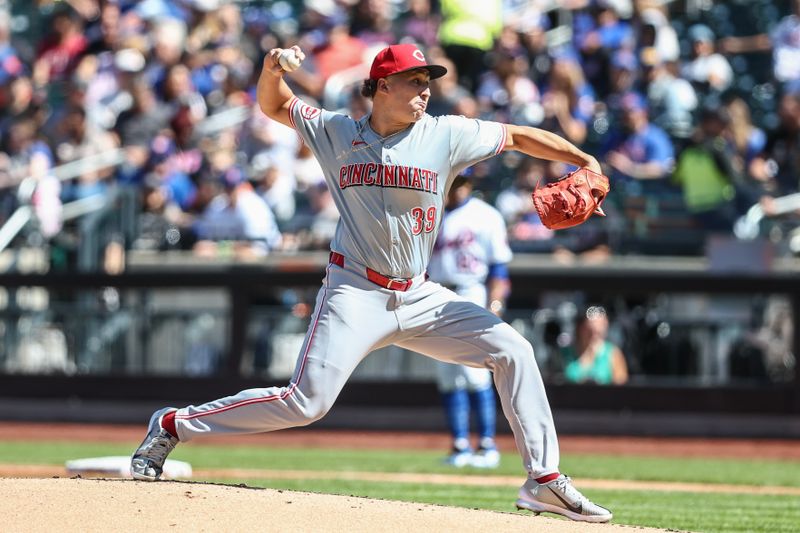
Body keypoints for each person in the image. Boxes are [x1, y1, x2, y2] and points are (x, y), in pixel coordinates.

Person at [131, 42, 613, 523]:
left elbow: (516, 136)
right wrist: (271, 67)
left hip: (420, 294)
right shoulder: (336, 131)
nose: (425, 93)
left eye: (428, 83)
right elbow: (275, 103)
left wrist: (583, 159)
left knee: (514, 350)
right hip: (355, 290)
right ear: (383, 86)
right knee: (306, 403)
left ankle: (543, 479)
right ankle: (175, 423)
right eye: (415, 82)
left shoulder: (447, 134)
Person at [426, 172, 511, 469]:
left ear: (470, 185)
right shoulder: (429, 209)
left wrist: (494, 306)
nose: (457, 189)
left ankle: (487, 445)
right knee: (448, 374)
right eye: (453, 181)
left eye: (462, 183)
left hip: (471, 291)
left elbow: (500, 268)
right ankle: (460, 445)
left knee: (476, 373)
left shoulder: (486, 216)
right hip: (435, 293)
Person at [558, 305, 628, 386]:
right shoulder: (564, 354)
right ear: (580, 328)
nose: (593, 336)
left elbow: (621, 388)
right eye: (589, 331)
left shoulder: (613, 354)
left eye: (598, 332)